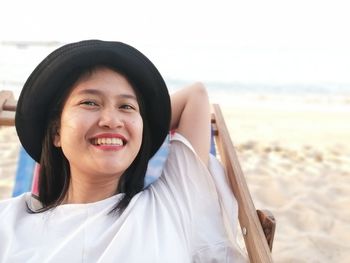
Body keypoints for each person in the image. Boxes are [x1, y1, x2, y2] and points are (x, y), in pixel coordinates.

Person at [0, 40, 247, 262]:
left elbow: (196, 95)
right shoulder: (9, 222)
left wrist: (132, 133)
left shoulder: (170, 203)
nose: (111, 119)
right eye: (90, 102)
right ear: (55, 133)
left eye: (126, 106)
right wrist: (120, 131)